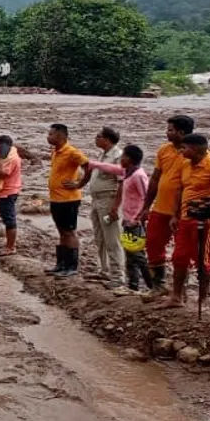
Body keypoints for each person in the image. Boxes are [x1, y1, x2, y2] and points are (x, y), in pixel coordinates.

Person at [166, 132, 210, 312]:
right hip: (185, 218)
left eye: (184, 148)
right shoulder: (185, 164)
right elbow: (180, 190)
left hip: (206, 220)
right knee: (179, 257)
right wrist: (175, 215)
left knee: (202, 259)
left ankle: (203, 300)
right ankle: (176, 296)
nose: (181, 151)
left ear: (196, 149)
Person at [142, 114, 194, 296]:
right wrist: (146, 206)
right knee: (152, 242)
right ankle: (159, 285)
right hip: (160, 208)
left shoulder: (194, 153)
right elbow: (155, 178)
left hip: (183, 212)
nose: (167, 133)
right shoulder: (164, 150)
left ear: (181, 132)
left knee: (181, 253)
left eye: (170, 130)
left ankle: (181, 291)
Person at [90, 145, 152, 294]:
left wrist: (139, 217)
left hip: (134, 221)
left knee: (137, 254)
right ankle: (133, 286)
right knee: (130, 255)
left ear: (129, 159)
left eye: (123, 156)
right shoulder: (127, 172)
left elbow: (146, 197)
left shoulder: (138, 175)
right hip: (128, 220)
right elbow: (111, 168)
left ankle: (153, 285)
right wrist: (92, 163)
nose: (120, 159)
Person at [69, 127, 124, 287]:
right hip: (97, 200)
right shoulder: (103, 155)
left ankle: (118, 277)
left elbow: (122, 183)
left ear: (107, 139)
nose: (96, 138)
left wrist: (115, 207)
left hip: (109, 200)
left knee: (112, 240)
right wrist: (78, 185)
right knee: (100, 238)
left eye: (98, 136)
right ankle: (105, 271)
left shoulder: (117, 156)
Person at [45, 122, 88, 277]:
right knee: (62, 232)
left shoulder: (72, 152)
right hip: (56, 199)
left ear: (61, 135)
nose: (48, 137)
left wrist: (79, 184)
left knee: (69, 232)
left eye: (51, 134)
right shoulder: (56, 152)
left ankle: (72, 266)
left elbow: (88, 166)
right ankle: (61, 264)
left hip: (68, 200)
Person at [0, 135, 23, 255]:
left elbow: (3, 174)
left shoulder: (11, 159)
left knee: (9, 220)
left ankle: (10, 247)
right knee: (8, 219)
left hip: (8, 192)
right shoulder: (11, 156)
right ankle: (9, 245)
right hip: (9, 191)